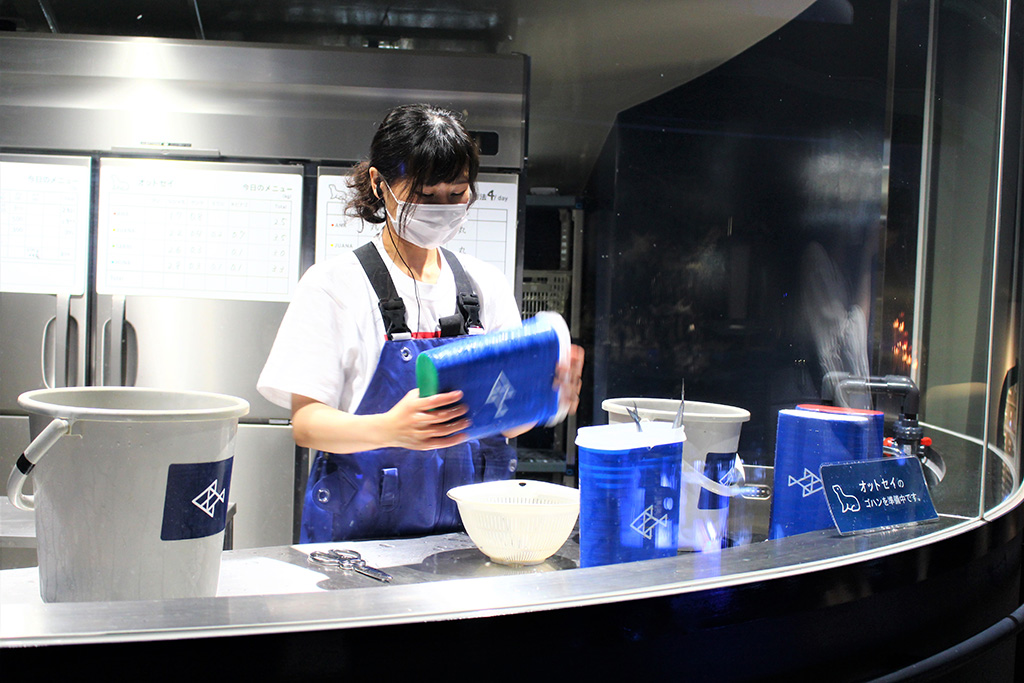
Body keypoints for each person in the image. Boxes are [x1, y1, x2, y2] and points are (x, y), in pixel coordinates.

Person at [258, 103, 584, 543]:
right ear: (380, 183)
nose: (442, 209)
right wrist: (391, 429)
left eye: (456, 194)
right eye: (425, 196)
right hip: (360, 545)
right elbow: (308, 424)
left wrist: (544, 396)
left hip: (472, 540)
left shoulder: (485, 285)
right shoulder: (333, 286)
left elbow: (507, 426)